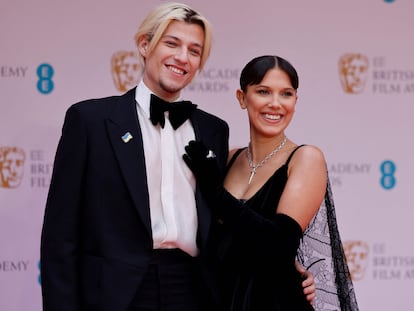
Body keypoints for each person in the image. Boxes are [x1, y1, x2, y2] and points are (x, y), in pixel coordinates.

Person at [40, 3, 315, 310]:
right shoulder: (90, 121)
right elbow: (60, 237)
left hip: (196, 291)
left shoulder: (213, 130)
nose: (182, 57)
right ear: (145, 45)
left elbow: (228, 224)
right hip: (115, 293)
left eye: (194, 51)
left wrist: (283, 267)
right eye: (172, 43)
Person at [183, 55, 359, 310]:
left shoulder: (306, 158)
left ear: (295, 101)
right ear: (242, 98)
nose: (275, 104)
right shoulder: (230, 158)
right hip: (223, 299)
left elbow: (277, 244)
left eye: (286, 94)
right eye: (263, 91)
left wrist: (215, 192)